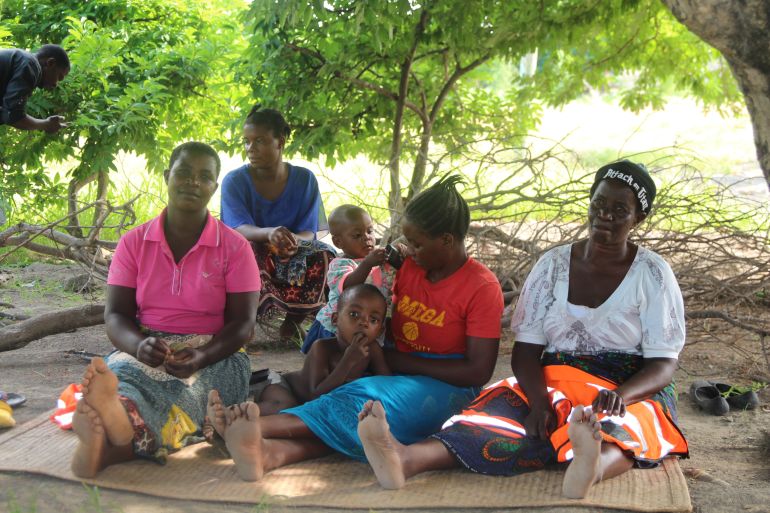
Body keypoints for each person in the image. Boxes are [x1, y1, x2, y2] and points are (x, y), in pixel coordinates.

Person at [356, 160, 690, 498]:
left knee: (627, 424)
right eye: (599, 203)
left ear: (638, 218)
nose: (605, 215)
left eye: (620, 210)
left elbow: (663, 364)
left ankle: (591, 466)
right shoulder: (552, 265)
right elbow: (527, 351)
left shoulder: (653, 274)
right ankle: (406, 459)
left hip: (624, 387)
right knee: (491, 416)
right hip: (554, 380)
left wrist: (621, 396)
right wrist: (540, 402)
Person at [210, 175, 504, 482]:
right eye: (408, 242)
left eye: (417, 244)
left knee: (364, 400)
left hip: (446, 386)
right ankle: (271, 454)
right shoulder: (411, 267)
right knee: (358, 413)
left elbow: (478, 372)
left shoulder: (480, 286)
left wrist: (398, 361)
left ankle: (254, 427)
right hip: (394, 371)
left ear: (446, 240)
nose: (410, 250)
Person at [69, 142, 261, 478]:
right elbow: (116, 315)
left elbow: (243, 324)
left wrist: (202, 356)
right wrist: (138, 345)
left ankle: (108, 441)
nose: (193, 182)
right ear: (166, 176)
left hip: (217, 352)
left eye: (204, 177)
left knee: (188, 392)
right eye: (183, 172)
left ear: (214, 186)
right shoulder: (134, 242)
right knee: (125, 376)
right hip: (146, 344)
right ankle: (114, 416)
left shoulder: (235, 247)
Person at [220, 106, 335, 341]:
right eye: (246, 142)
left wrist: (292, 242)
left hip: (292, 250)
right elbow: (237, 228)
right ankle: (246, 324)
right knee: (247, 250)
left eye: (259, 141)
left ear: (280, 142)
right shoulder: (235, 181)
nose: (250, 148)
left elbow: (309, 231)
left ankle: (292, 322)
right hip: (253, 248)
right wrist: (269, 233)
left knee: (325, 254)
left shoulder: (304, 179)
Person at [209, 284, 389, 422]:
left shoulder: (373, 350)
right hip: (281, 384)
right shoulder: (322, 348)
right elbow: (315, 395)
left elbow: (387, 384)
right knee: (285, 407)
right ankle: (225, 415)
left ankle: (237, 419)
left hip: (301, 400)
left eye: (373, 319)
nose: (364, 323)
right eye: (354, 314)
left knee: (294, 413)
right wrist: (348, 361)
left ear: (380, 330)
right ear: (335, 319)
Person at [300, 204, 398, 354]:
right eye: (357, 235)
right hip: (339, 327)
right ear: (338, 242)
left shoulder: (377, 260)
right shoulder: (340, 264)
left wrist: (399, 254)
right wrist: (367, 264)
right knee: (333, 359)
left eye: (369, 231)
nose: (367, 238)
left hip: (368, 323)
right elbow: (348, 287)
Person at [1, 44, 69, 133]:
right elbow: (13, 116)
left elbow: (6, 114)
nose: (56, 84)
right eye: (59, 77)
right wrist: (46, 124)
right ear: (50, 63)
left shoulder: (21, 61)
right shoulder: (31, 65)